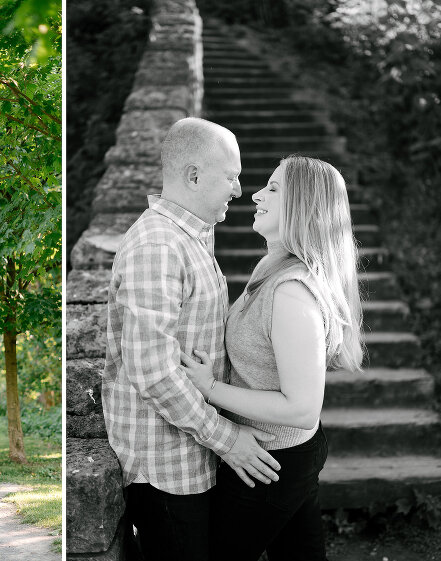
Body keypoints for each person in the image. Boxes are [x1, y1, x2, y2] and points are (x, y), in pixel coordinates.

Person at [102, 117, 282, 561]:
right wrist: (226, 438)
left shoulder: (193, 235)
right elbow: (153, 372)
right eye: (231, 177)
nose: (239, 191)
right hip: (165, 466)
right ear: (194, 176)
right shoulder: (158, 247)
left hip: (190, 453)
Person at [180, 155, 364, 560]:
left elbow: (302, 408)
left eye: (274, 188)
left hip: (274, 462)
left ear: (303, 206)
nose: (256, 194)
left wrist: (210, 388)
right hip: (280, 454)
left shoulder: (292, 293)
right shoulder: (272, 265)